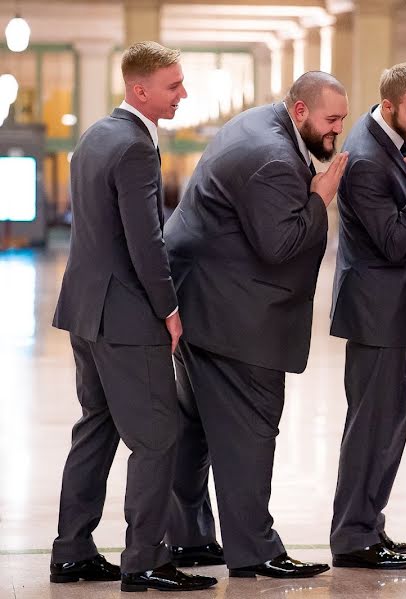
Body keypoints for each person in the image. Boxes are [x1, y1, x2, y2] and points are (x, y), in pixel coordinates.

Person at [163, 71, 349, 579]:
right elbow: (280, 245)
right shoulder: (272, 159)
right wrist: (320, 198)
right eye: (331, 120)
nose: (338, 131)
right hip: (233, 314)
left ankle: (190, 537)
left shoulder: (261, 123)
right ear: (300, 112)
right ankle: (255, 550)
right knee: (250, 428)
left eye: (343, 119)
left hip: (200, 299)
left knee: (198, 428)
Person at [50, 41, 216, 593]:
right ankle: (144, 560)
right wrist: (169, 307)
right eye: (173, 86)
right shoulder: (137, 147)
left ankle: (72, 551)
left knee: (95, 429)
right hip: (125, 316)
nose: (183, 94)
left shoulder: (97, 135)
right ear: (139, 89)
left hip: (84, 310)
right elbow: (145, 240)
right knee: (157, 438)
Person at [328, 62, 406, 569]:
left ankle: (368, 525)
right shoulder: (369, 157)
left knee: (391, 416)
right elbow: (395, 242)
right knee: (373, 424)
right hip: (374, 310)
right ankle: (353, 536)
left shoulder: (386, 139)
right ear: (390, 105)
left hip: (386, 310)